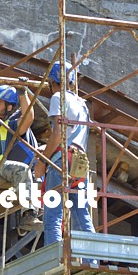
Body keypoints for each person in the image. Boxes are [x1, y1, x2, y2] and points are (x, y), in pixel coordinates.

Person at [33, 62, 94, 246]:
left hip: (61, 162)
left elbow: (58, 132)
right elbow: (75, 134)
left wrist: (43, 161)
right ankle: (92, 260)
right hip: (80, 164)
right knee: (81, 215)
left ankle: (54, 264)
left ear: (52, 82)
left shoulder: (58, 97)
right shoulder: (82, 104)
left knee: (53, 216)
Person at [0, 84, 41, 230]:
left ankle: (29, 214)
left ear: (9, 107)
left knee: (23, 170)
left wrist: (22, 94)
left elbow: (28, 118)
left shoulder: (10, 126)